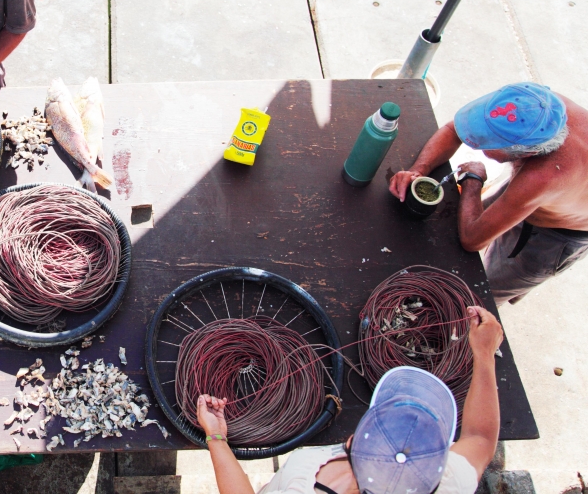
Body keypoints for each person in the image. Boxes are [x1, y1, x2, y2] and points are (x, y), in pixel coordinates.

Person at [196, 306, 503, 494]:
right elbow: (480, 438)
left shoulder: (303, 480)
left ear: (353, 442)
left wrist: (217, 437)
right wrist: (484, 354)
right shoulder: (450, 483)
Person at [388, 82, 588, 305]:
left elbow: (472, 240)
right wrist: (418, 170)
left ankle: (507, 292)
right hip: (542, 193)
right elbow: (454, 129)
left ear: (529, 153)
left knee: (479, 295)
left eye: (487, 143)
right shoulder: (533, 105)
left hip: (557, 235)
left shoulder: (541, 177)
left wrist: (474, 181)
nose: (476, 145)